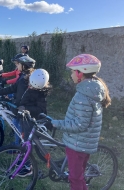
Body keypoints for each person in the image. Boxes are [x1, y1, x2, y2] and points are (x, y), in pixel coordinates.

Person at [45, 54, 111, 190]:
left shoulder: (84, 96)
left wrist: (56, 123)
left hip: (78, 144)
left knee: (75, 178)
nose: (71, 75)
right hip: (84, 142)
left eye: (72, 72)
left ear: (80, 73)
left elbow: (80, 124)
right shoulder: (91, 90)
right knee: (78, 176)